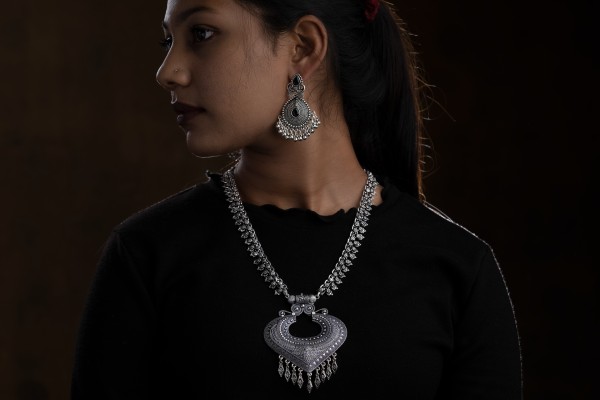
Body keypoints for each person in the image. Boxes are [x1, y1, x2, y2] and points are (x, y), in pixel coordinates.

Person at [70, 0, 523, 398]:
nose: (167, 71)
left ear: (303, 46)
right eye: (169, 40)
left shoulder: (458, 270)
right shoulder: (147, 256)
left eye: (201, 34)